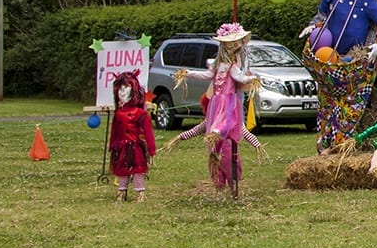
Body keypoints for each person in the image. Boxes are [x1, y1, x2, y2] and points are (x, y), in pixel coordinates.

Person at [166, 21, 263, 198]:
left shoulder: (233, 67)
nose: (232, 46)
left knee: (226, 123)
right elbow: (207, 75)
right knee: (213, 129)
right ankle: (215, 138)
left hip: (228, 102)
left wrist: (252, 79)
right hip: (217, 102)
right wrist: (189, 73)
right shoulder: (217, 66)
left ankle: (218, 132)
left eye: (235, 43)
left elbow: (239, 77)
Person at [106, 70, 157, 202]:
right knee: (122, 169)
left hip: (135, 147)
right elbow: (115, 131)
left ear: (133, 90)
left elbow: (148, 132)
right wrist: (112, 146)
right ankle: (121, 192)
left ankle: (140, 193)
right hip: (121, 147)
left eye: (126, 88)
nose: (122, 92)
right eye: (120, 89)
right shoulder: (118, 113)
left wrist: (151, 150)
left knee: (137, 170)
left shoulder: (140, 113)